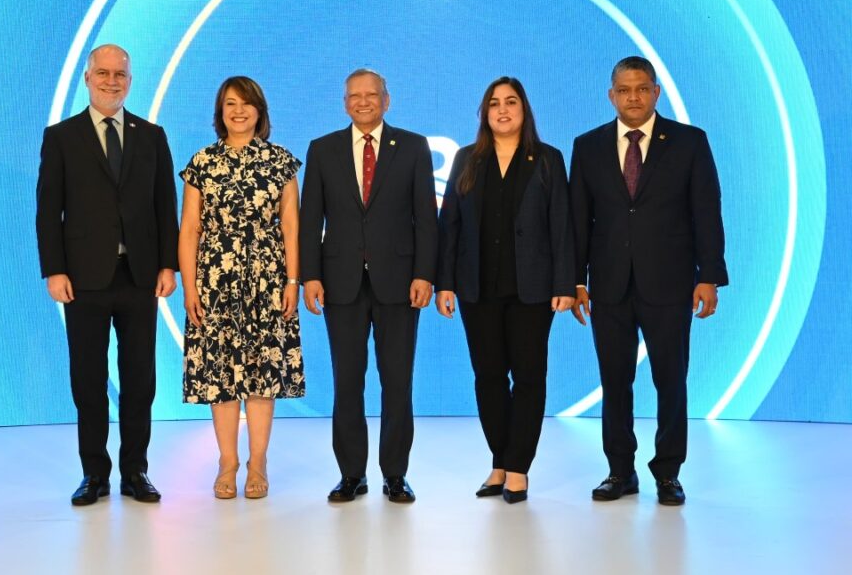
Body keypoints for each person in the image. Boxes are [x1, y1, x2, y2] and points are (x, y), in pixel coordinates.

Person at [569, 56, 728, 506]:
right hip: (609, 285)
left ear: (656, 92)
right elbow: (578, 221)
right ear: (611, 95)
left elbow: (706, 211)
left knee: (671, 381)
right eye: (624, 90)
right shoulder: (588, 146)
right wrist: (575, 281)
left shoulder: (689, 141)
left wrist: (709, 276)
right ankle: (620, 471)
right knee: (614, 381)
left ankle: (668, 473)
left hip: (671, 283)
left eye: (642, 88)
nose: (633, 97)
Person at [36, 44, 179, 506]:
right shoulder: (61, 137)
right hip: (82, 280)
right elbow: (48, 211)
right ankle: (93, 474)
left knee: (140, 381)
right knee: (88, 381)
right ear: (87, 78)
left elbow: (165, 206)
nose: (111, 81)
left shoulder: (151, 136)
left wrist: (168, 264)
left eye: (120, 74)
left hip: (140, 278)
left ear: (130, 81)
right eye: (103, 73)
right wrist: (54, 270)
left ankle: (136, 471)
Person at [300, 68, 437, 504]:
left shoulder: (412, 146)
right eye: (354, 96)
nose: (363, 102)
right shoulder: (322, 149)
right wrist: (310, 276)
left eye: (371, 95)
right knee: (347, 383)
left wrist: (424, 274)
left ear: (386, 100)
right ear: (345, 103)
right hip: (339, 284)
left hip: (399, 283)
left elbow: (426, 218)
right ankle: (351, 474)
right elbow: (310, 220)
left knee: (397, 383)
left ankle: (395, 474)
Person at [435, 77, 575, 504]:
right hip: (477, 289)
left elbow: (562, 225)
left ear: (524, 109)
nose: (502, 109)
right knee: (489, 377)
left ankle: (518, 469)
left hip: (533, 290)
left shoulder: (548, 159)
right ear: (484, 113)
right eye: (494, 103)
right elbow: (449, 226)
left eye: (510, 102)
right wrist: (445, 283)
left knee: (529, 378)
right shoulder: (467, 159)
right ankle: (499, 460)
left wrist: (565, 283)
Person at [178, 76, 304, 500]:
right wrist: (190, 288)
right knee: (222, 375)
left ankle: (258, 461)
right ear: (220, 111)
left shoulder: (281, 161)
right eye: (230, 103)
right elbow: (190, 229)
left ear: (259, 111)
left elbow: (291, 226)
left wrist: (292, 281)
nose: (238, 111)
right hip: (215, 280)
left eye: (246, 103)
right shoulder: (202, 162)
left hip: (268, 279)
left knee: (263, 374)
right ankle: (228, 461)